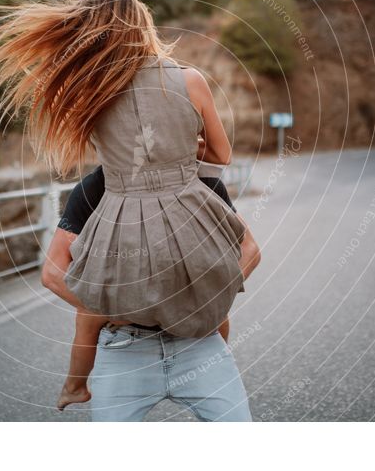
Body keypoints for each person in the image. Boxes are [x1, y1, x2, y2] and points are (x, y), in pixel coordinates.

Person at [0, 0, 259, 421]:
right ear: (142, 23)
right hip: (195, 325)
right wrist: (185, 147)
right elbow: (221, 156)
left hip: (121, 260)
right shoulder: (191, 80)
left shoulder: (90, 92)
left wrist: (111, 309)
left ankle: (75, 381)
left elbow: (54, 272)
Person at [43, 164, 261, 411]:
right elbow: (52, 273)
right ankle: (75, 386)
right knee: (87, 316)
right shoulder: (95, 187)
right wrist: (116, 310)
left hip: (195, 323)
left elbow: (250, 250)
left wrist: (212, 293)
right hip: (122, 320)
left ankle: (75, 385)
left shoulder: (202, 182)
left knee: (218, 314)